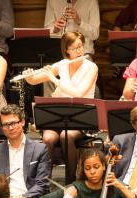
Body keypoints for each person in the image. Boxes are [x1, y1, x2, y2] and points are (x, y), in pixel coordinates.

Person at [24, 31, 98, 183]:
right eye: (74, 48)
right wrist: (29, 76)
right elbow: (34, 81)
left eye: (80, 47)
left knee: (67, 135)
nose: (79, 51)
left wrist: (55, 80)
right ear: (66, 51)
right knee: (48, 138)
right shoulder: (62, 64)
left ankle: (71, 181)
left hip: (80, 117)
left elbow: (78, 93)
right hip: (58, 114)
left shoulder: (91, 67)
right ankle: (44, 182)